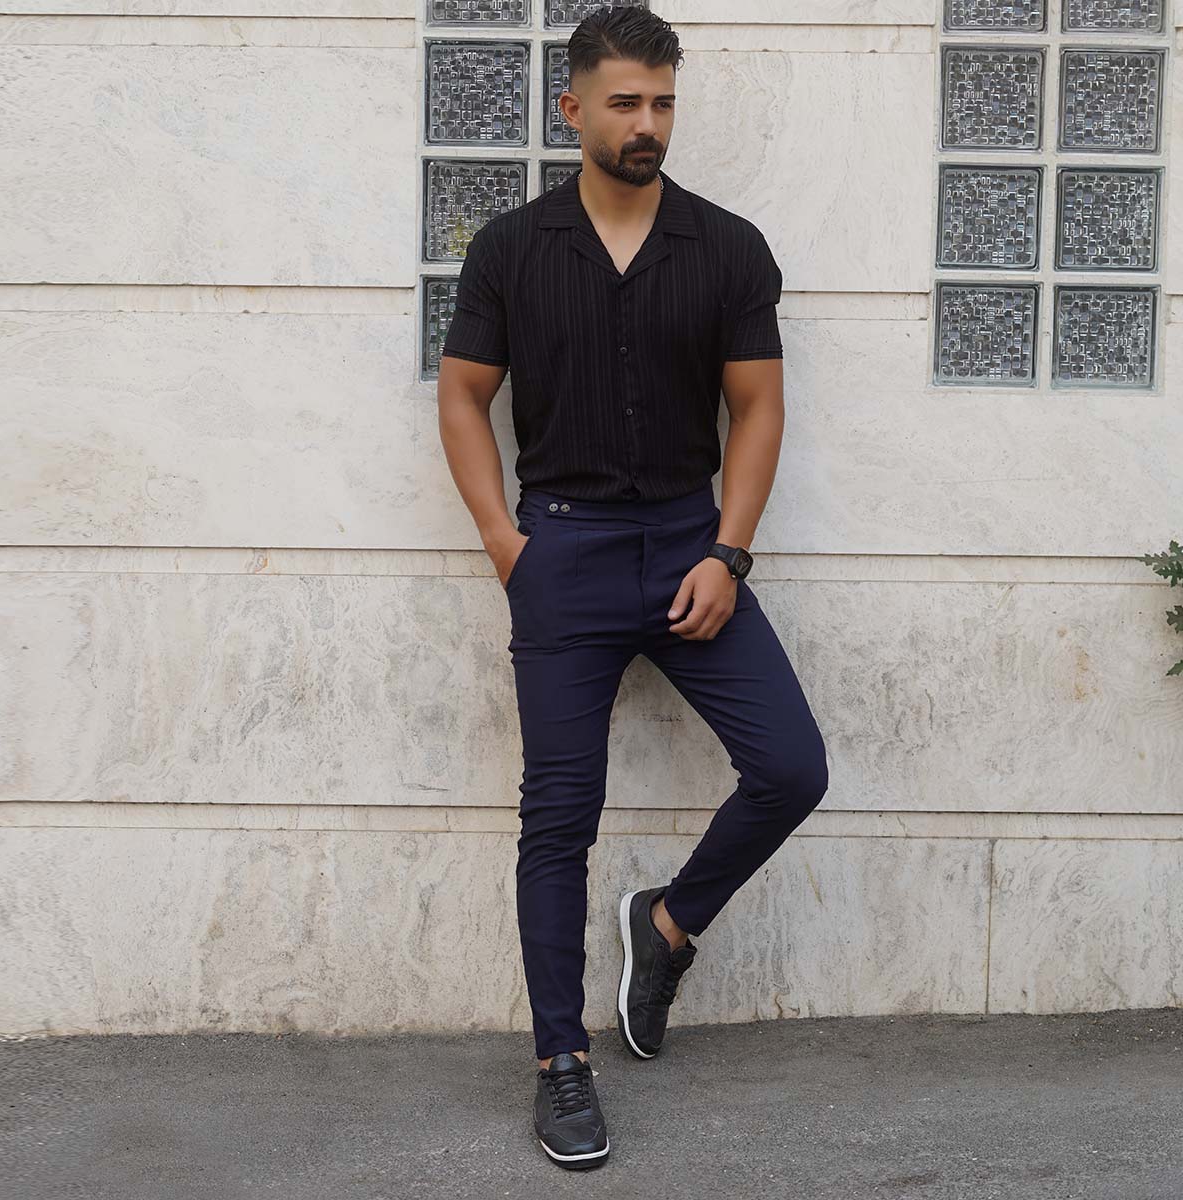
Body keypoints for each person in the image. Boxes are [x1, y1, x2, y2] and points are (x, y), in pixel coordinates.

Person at [436, 4, 829, 1170]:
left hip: (689, 548)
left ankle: (667, 925)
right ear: (573, 109)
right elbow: (462, 396)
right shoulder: (512, 249)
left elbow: (757, 408)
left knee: (792, 766)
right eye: (625, 102)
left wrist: (729, 553)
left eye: (662, 102)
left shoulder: (728, 248)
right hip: (562, 551)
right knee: (557, 819)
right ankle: (561, 1063)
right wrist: (507, 544)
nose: (647, 122)